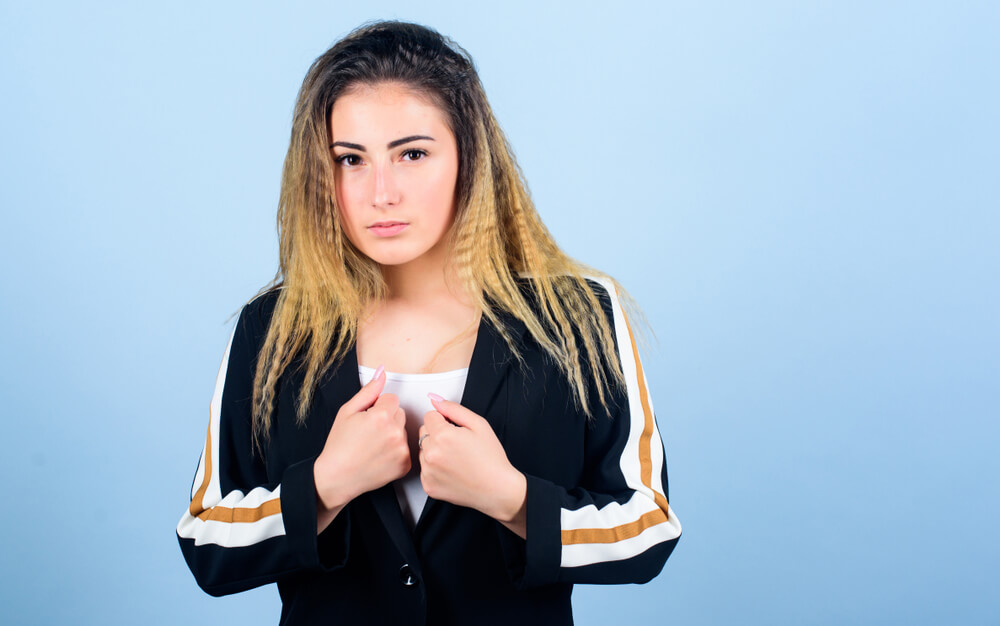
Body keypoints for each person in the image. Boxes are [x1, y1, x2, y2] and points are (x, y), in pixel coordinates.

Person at [176, 20, 681, 625]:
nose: (381, 192)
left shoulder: (579, 317)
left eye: (412, 154)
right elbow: (206, 541)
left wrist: (512, 500)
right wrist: (326, 485)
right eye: (350, 159)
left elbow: (649, 528)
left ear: (469, 156)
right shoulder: (271, 329)